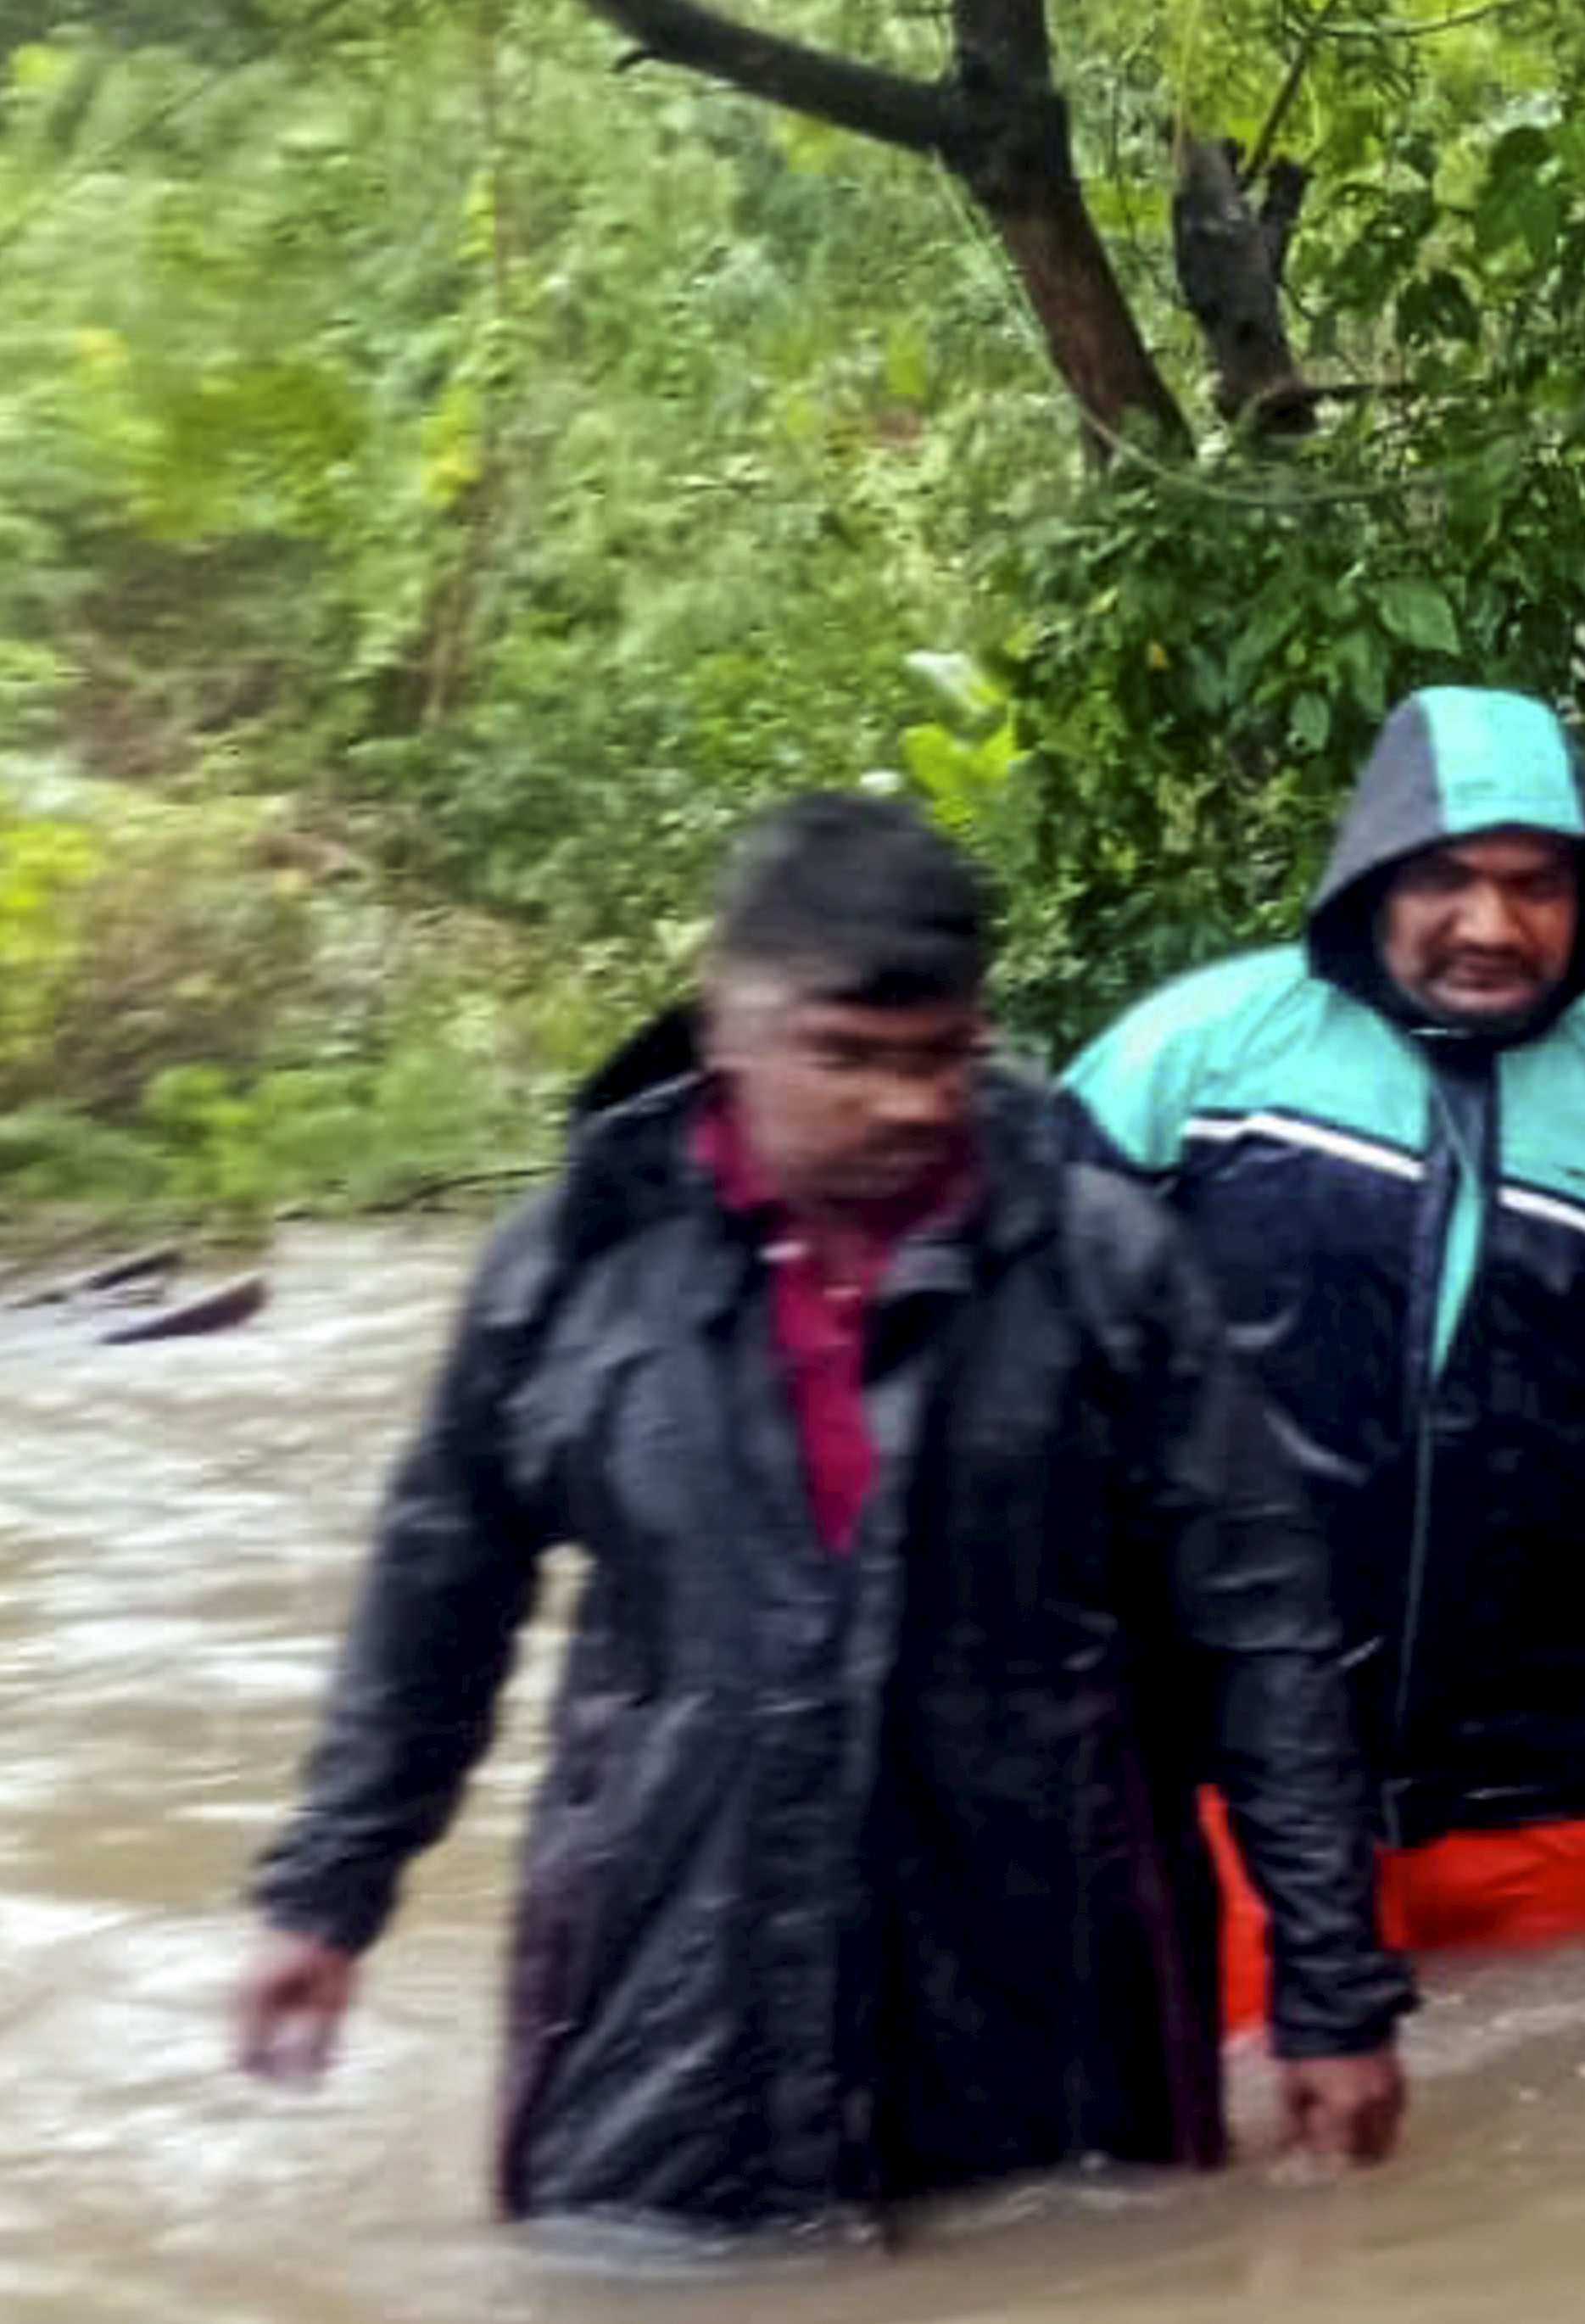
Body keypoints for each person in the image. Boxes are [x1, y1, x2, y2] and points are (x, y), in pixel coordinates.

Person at [233, 795, 1409, 2229]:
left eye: (942, 1059)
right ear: (726, 1028)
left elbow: (1261, 1627)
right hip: (668, 1989)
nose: (907, 1105)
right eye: (846, 1057)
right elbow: (439, 1593)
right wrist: (327, 1894)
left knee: (1080, 2273)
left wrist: (1329, 1990)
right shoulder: (577, 1269)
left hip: (1053, 1989)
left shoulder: (1107, 1267)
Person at [1064, 689, 1585, 1969]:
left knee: (1577, 2117)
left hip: (1555, 1756)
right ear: (1374, 870)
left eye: (1535, 883)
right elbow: (1037, 1378)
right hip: (1243, 1746)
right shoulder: (1190, 1061)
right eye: (1446, 877)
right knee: (1274, 2133)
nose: (1491, 924)